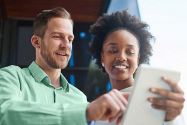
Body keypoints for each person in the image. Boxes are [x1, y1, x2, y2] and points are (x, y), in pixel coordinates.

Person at [0, 7, 129, 125]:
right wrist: (84, 112)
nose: (66, 45)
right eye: (57, 37)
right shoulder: (10, 77)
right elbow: (4, 113)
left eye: (70, 39)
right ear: (36, 42)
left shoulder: (79, 98)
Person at [89, 10, 185, 125]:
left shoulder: (156, 100)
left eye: (130, 52)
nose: (121, 57)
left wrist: (170, 119)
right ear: (102, 57)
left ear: (138, 59)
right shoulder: (100, 108)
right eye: (113, 50)